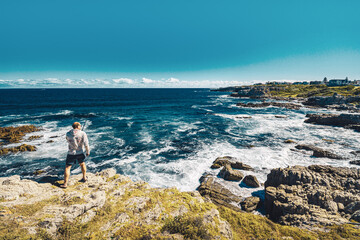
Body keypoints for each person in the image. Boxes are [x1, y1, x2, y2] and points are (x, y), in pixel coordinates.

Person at [60, 122, 90, 188]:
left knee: (67, 167)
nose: (81, 126)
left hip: (71, 153)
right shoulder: (82, 133)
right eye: (80, 125)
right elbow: (86, 144)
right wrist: (87, 152)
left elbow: (67, 140)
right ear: (78, 126)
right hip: (80, 152)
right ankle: (84, 178)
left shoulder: (68, 133)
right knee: (82, 164)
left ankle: (65, 184)